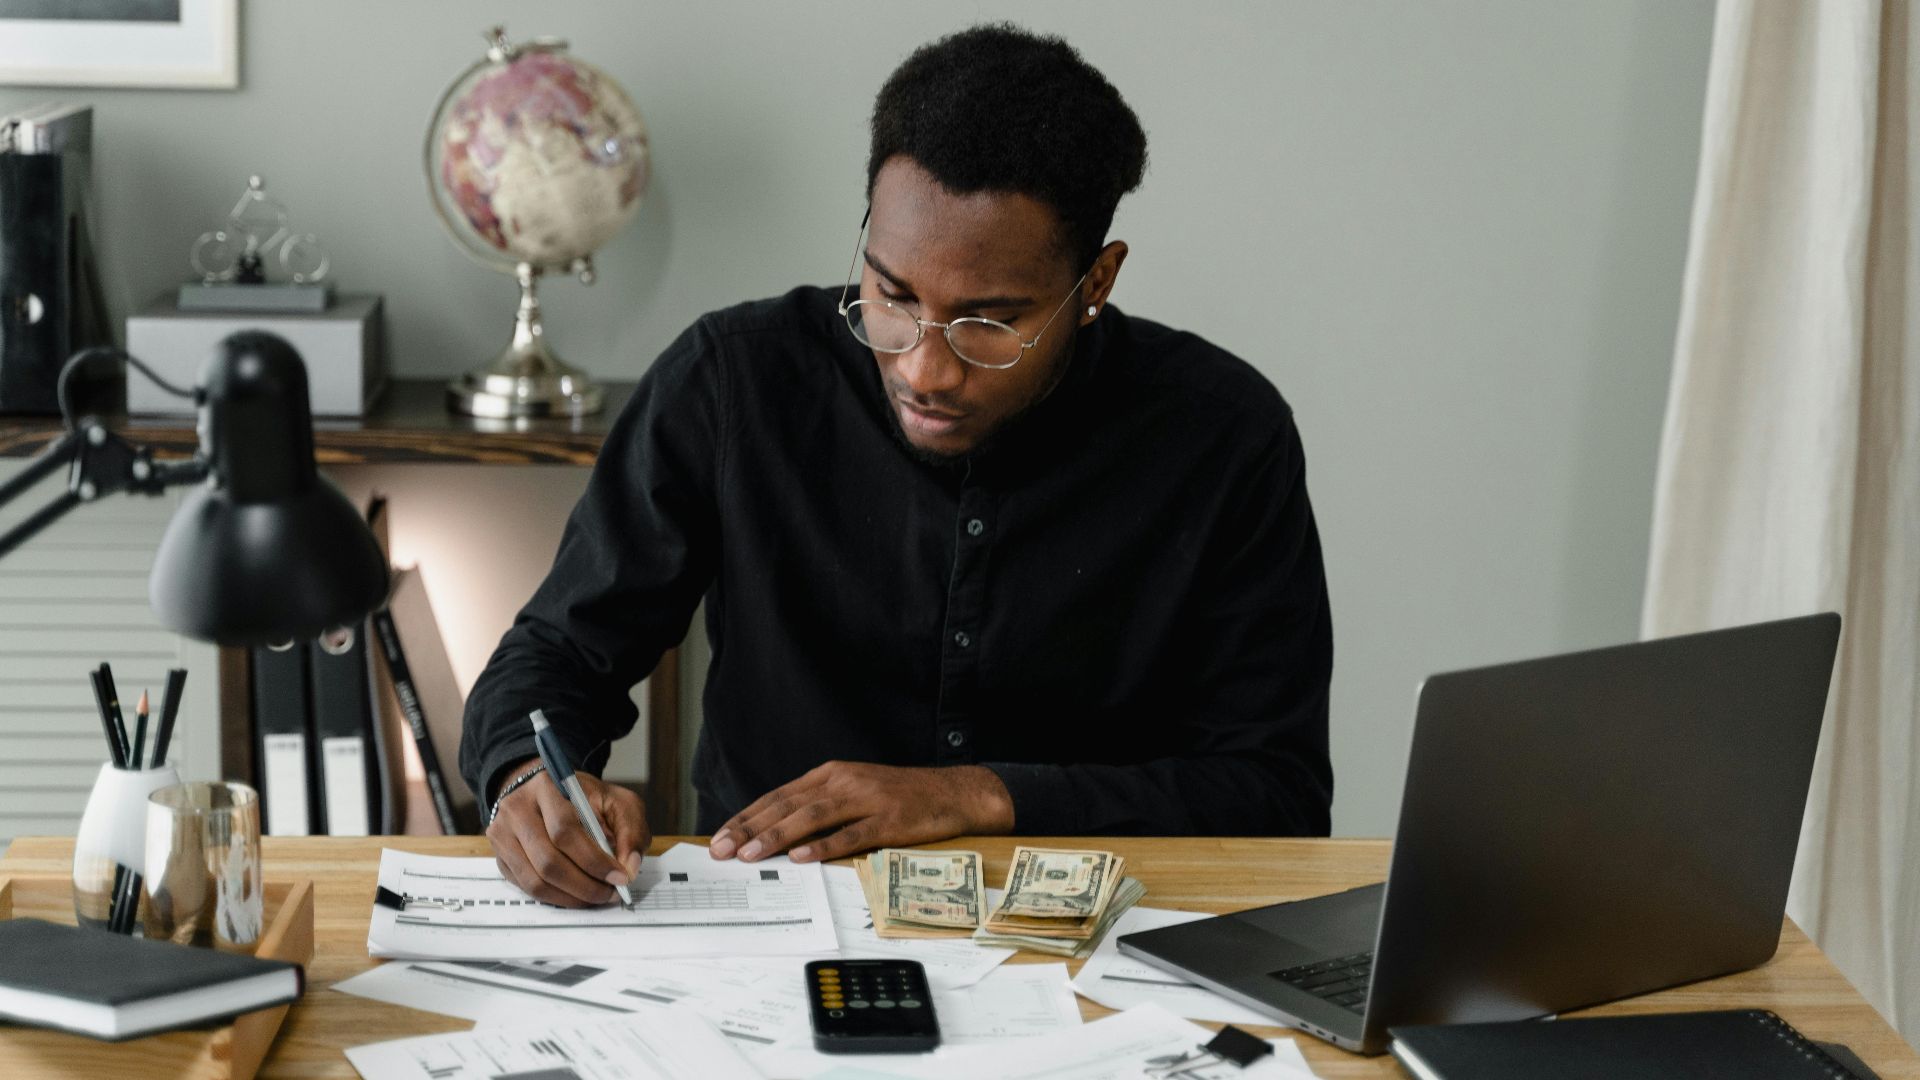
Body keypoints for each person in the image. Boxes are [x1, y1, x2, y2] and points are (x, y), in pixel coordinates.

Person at [461, 23, 1334, 909]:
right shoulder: (735, 380)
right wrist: (525, 778)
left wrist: (978, 796)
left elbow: (1277, 794)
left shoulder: (1223, 435)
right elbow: (559, 651)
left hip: (1095, 934)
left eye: (989, 322)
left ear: (1097, 283)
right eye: (892, 295)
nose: (924, 367)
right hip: (769, 920)